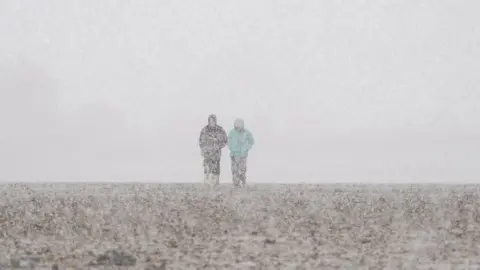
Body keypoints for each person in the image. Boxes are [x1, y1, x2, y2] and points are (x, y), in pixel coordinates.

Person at [198, 114, 227, 186]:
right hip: (207, 153)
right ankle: (207, 182)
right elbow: (201, 141)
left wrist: (218, 146)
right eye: (210, 121)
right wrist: (203, 149)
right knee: (207, 168)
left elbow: (225, 140)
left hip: (216, 154)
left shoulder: (220, 130)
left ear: (215, 121)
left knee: (216, 168)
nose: (211, 122)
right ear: (208, 121)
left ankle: (216, 182)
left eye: (213, 121)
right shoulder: (204, 130)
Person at [227, 118, 255, 187]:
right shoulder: (232, 132)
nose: (237, 127)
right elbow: (229, 142)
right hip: (233, 155)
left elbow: (251, 142)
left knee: (242, 170)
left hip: (242, 155)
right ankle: (236, 184)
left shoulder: (246, 132)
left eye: (239, 126)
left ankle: (243, 182)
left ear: (242, 125)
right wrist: (232, 148)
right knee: (234, 170)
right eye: (236, 126)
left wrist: (245, 148)